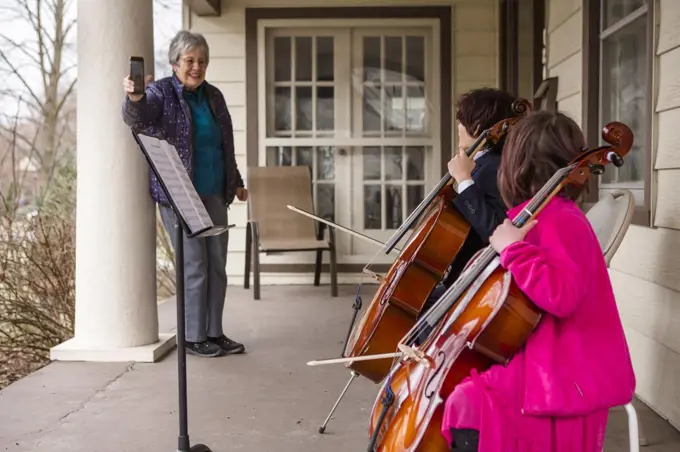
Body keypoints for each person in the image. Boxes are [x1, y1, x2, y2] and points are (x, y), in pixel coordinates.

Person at [441, 111, 636, 451]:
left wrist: (513, 249)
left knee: (466, 400)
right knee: (459, 394)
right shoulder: (534, 214)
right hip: (542, 355)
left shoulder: (561, 220)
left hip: (564, 369)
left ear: (517, 164)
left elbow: (560, 294)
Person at [121, 30, 247, 358]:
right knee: (195, 265)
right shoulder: (161, 92)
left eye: (202, 61)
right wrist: (134, 98)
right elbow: (138, 117)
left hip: (214, 193)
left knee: (217, 265)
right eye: (190, 60)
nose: (196, 67)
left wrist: (236, 181)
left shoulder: (214, 96)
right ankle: (192, 337)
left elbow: (224, 144)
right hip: (179, 196)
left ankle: (214, 333)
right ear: (175, 63)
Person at [417, 88, 522, 338]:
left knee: (418, 314)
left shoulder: (493, 167)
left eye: (461, 122)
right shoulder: (486, 163)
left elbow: (494, 230)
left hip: (476, 281)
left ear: (476, 126)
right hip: (465, 274)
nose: (458, 127)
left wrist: (464, 180)